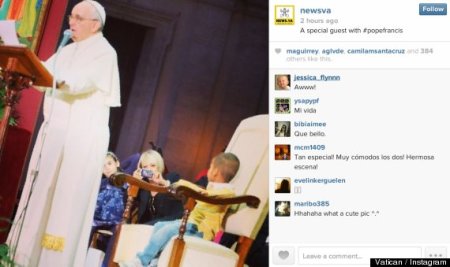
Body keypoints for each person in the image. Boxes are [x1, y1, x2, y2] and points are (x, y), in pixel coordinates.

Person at [7, 1, 120, 266]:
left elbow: (80, 83)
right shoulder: (67, 50)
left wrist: (54, 80)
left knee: (65, 202)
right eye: (72, 16)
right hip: (56, 134)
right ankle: (24, 258)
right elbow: (42, 73)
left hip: (81, 139)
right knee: (41, 195)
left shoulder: (105, 53)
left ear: (95, 25)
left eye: (79, 18)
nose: (72, 22)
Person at [119, 152, 240, 267]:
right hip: (190, 224)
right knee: (159, 225)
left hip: (200, 230)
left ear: (215, 172)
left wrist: (182, 185)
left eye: (210, 167)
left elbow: (207, 196)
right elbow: (204, 194)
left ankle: (141, 260)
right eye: (145, 166)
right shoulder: (212, 188)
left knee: (167, 230)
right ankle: (155, 261)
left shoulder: (226, 193)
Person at [133, 150, 184, 225]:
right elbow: (126, 201)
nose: (149, 169)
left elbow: (181, 193)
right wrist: (134, 182)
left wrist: (163, 182)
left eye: (153, 165)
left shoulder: (173, 177)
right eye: (145, 167)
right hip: (146, 227)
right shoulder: (143, 185)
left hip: (168, 224)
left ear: (159, 166)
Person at [89, 152, 126, 250]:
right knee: (86, 228)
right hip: (98, 219)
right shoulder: (100, 184)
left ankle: (106, 264)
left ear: (117, 163)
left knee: (117, 234)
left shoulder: (126, 181)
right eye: (103, 166)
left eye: (109, 163)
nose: (107, 168)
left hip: (116, 221)